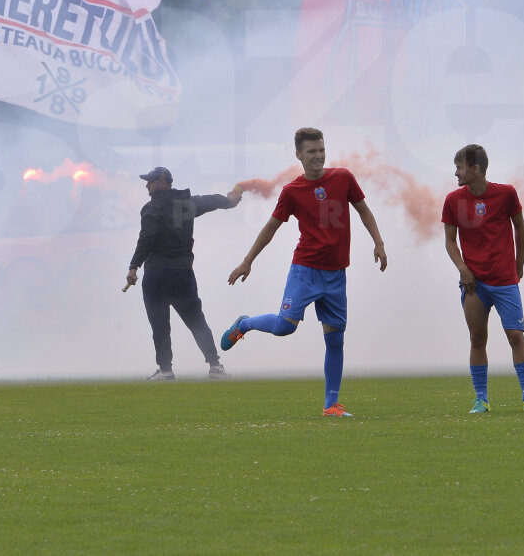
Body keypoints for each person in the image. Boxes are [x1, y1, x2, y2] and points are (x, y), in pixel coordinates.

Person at [221, 127, 388, 417]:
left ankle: (331, 405)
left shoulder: (343, 177)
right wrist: (248, 261)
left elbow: (363, 209)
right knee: (286, 326)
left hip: (336, 273)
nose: (319, 155)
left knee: (335, 339)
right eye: (312, 151)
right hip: (305, 270)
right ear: (299, 154)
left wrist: (379, 242)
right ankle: (244, 325)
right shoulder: (292, 192)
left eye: (321, 149)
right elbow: (271, 227)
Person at [442, 144, 524, 414]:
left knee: (515, 336)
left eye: (460, 167)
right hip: (475, 283)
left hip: (505, 280)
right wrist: (463, 270)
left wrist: (519, 263)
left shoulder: (506, 194)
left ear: (476, 169)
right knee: (477, 339)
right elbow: (450, 242)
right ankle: (481, 399)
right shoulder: (453, 200)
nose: (456, 173)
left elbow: (520, 227)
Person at [124, 166, 242, 380]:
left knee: (159, 324)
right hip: (182, 273)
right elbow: (211, 200)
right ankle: (215, 366)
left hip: (157, 275)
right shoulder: (187, 203)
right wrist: (229, 202)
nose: (147, 185)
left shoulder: (152, 209)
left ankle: (166, 370)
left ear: (162, 181)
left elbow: (147, 239)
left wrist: (133, 267)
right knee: (196, 320)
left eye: (150, 181)